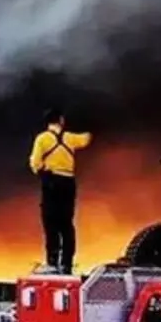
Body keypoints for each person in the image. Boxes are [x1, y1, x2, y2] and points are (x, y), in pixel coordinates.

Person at [28, 108, 92, 274]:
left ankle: (52, 263)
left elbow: (35, 163)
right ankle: (67, 264)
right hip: (68, 183)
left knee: (51, 223)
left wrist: (43, 172)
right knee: (66, 224)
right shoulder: (70, 138)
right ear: (61, 120)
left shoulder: (42, 139)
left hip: (51, 183)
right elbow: (86, 139)